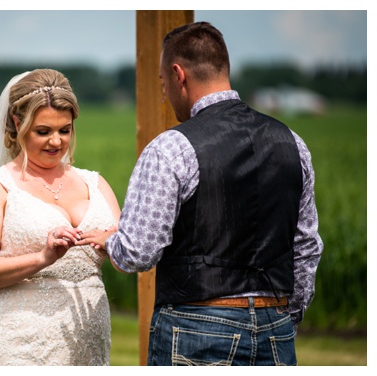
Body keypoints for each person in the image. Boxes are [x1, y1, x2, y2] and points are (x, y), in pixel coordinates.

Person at [103, 22, 323, 366]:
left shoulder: (171, 147)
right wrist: (285, 317)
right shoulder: (293, 143)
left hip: (195, 326)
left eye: (163, 83)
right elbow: (307, 247)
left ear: (178, 75)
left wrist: (108, 240)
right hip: (276, 325)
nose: (165, 93)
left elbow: (137, 253)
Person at [0, 68, 121, 366]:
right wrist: (43, 257)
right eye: (43, 131)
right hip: (20, 339)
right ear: (17, 123)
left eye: (64, 130)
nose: (56, 142)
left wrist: (114, 244)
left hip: (89, 334)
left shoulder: (95, 183)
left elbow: (129, 255)